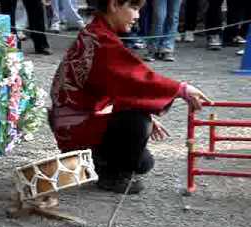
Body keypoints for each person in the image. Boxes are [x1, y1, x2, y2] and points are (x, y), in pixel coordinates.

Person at [49, 0, 210, 194]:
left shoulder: (95, 33)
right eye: (133, 8)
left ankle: (102, 163)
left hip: (72, 122)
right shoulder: (102, 40)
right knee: (137, 123)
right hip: (76, 128)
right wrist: (181, 89)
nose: (137, 16)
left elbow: (120, 84)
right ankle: (111, 175)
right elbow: (136, 79)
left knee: (143, 161)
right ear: (114, 5)